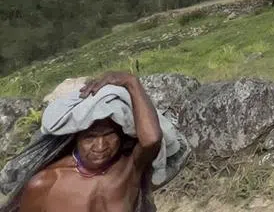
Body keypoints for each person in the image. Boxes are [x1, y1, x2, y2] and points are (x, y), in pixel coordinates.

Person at [1, 72, 166, 212]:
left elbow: (152, 139)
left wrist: (130, 81)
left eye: (109, 135)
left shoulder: (128, 167)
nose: (101, 146)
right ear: (75, 137)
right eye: (90, 137)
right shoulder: (45, 183)